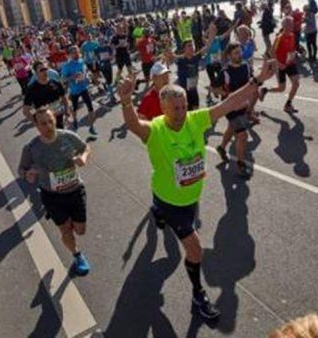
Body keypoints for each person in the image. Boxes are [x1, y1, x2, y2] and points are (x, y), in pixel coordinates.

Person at [117, 57, 276, 319]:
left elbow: (230, 102)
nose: (180, 114)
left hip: (192, 198)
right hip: (172, 202)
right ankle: (198, 293)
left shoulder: (195, 119)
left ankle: (156, 211)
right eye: (174, 109)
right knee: (195, 249)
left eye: (183, 107)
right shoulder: (155, 130)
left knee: (186, 233)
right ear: (162, 109)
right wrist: (125, 102)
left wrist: (258, 79)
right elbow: (134, 124)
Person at [18, 108, 92, 276]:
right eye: (43, 123)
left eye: (51, 121)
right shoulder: (31, 148)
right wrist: (27, 174)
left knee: (80, 230)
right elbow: (21, 169)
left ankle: (70, 225)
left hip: (75, 190)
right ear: (36, 126)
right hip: (51, 196)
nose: (49, 126)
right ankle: (77, 255)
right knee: (65, 229)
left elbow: (86, 147)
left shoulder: (67, 136)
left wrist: (83, 158)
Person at [216, 43, 253, 178]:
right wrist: (228, 93)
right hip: (230, 106)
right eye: (235, 53)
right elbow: (214, 88)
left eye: (239, 52)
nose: (239, 55)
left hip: (242, 105)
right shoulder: (225, 72)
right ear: (229, 55)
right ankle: (240, 164)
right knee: (242, 136)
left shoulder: (246, 66)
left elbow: (250, 83)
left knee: (232, 128)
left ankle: (221, 147)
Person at [263, 17, 301, 114]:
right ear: (283, 26)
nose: (290, 26)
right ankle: (265, 90)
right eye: (288, 24)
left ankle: (288, 104)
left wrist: (294, 55)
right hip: (280, 65)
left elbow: (292, 49)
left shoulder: (292, 35)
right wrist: (279, 64)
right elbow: (271, 52)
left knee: (296, 83)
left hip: (290, 63)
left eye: (291, 24)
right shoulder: (279, 38)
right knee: (281, 88)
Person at [60, 46, 97, 135]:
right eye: (74, 53)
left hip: (84, 88)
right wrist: (72, 77)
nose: (76, 54)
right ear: (70, 55)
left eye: (77, 52)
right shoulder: (67, 65)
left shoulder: (81, 61)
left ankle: (92, 127)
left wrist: (87, 77)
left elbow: (85, 71)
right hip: (74, 91)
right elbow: (63, 79)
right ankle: (75, 120)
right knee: (75, 108)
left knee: (90, 107)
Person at [23, 61, 69, 129]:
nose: (45, 71)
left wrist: (67, 111)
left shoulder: (55, 83)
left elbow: (64, 98)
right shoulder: (32, 89)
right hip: (45, 123)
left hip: (58, 118)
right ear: (36, 73)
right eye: (41, 70)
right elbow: (25, 110)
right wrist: (36, 123)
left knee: (61, 136)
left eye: (45, 69)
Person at [175, 39, 203, 110]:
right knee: (188, 112)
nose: (192, 47)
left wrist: (211, 38)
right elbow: (170, 56)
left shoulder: (195, 57)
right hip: (184, 92)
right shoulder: (180, 60)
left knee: (196, 109)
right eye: (189, 46)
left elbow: (206, 48)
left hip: (194, 89)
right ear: (184, 49)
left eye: (192, 45)